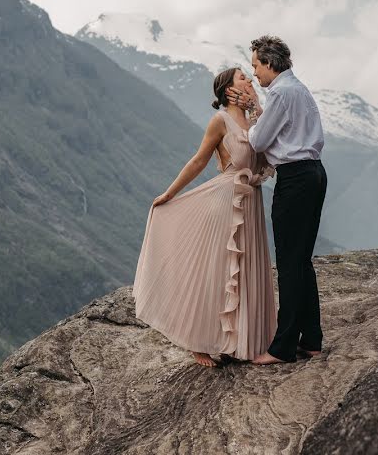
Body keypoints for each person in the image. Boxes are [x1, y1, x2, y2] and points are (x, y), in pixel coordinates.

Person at [133, 68, 276, 367]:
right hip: (225, 201)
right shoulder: (220, 120)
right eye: (242, 78)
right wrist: (170, 194)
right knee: (218, 272)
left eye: (249, 77)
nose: (249, 80)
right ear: (227, 90)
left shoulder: (254, 120)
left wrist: (257, 110)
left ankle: (234, 342)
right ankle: (197, 343)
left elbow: (268, 154)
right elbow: (199, 160)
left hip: (251, 201)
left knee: (244, 271)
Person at [228, 35, 327, 365]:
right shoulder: (298, 88)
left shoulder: (281, 94)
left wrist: (253, 105)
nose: (254, 72)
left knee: (289, 263)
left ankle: (282, 347)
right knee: (302, 261)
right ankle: (311, 340)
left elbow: (258, 140)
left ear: (270, 63)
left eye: (256, 65)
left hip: (296, 180)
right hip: (313, 173)